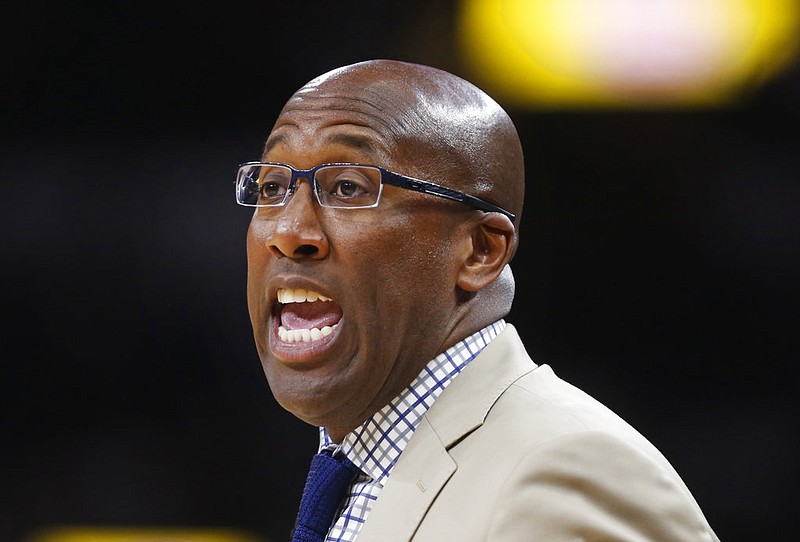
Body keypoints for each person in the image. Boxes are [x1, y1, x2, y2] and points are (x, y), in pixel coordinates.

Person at [237, 59, 719, 541]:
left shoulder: (562, 470)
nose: (288, 230)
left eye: (348, 187)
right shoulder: (358, 470)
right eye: (273, 188)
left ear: (481, 251)